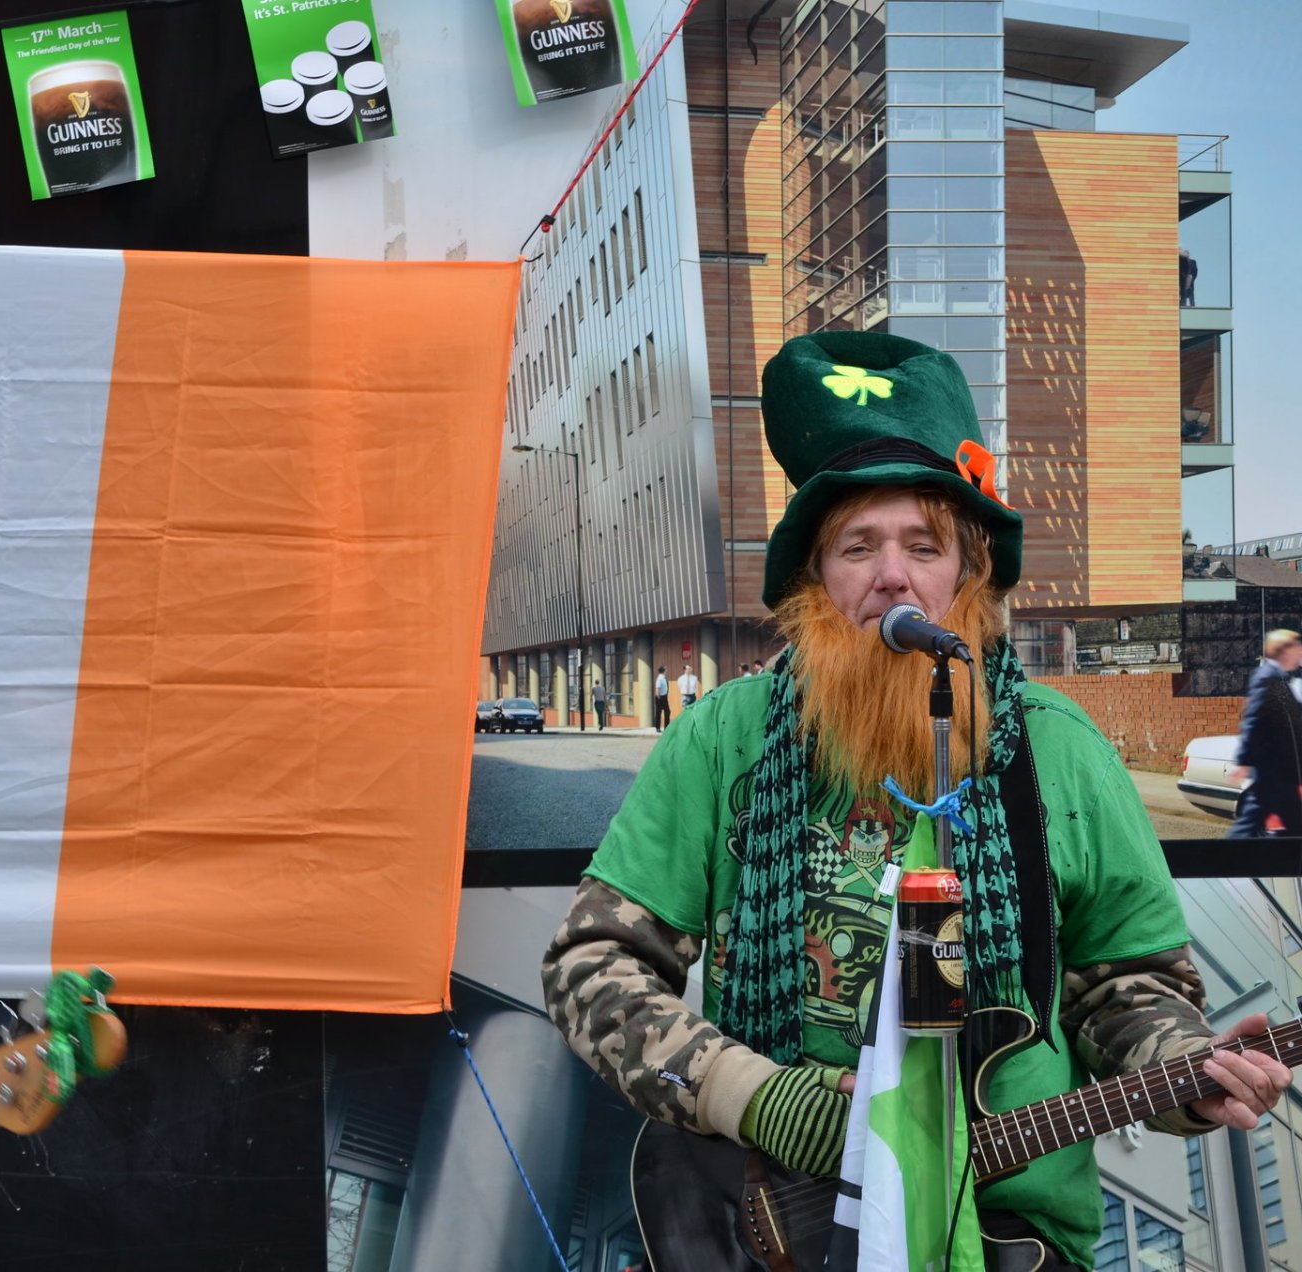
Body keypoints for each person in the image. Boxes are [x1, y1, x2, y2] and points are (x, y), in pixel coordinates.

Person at [542, 331, 1290, 1269]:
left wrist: (1185, 1071)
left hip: (1015, 1232)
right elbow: (591, 963)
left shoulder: (1061, 749)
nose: (892, 574)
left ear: (967, 575)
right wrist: (751, 1092)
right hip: (767, 1225)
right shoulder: (721, 739)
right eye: (858, 545)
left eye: (922, 545)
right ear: (816, 580)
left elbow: (1125, 986)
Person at [1229, 629, 1302, 838]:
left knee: (1251, 824)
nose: (1300, 655)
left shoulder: (1278, 678)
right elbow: (1253, 720)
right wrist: (1243, 760)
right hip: (1275, 771)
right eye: (1298, 650)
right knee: (1294, 826)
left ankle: (1231, 863)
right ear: (1284, 652)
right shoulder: (1268, 678)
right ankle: (1229, 863)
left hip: (1277, 772)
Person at [654, 666, 670, 732]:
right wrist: (658, 697)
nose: (667, 670)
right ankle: (658, 728)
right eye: (666, 669)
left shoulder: (663, 678)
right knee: (659, 712)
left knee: (667, 712)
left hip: (664, 696)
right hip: (660, 697)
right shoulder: (660, 679)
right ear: (663, 671)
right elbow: (657, 688)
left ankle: (666, 727)